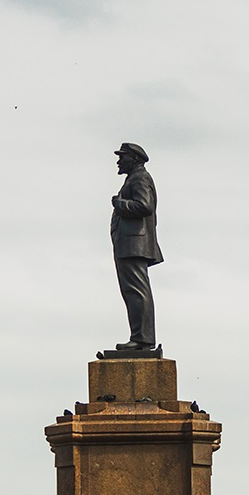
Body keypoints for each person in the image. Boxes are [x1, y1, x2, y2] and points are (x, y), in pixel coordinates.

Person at [106, 142, 163, 354]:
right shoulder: (134, 178)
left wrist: (120, 204)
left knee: (137, 291)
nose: (119, 161)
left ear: (135, 159)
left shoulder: (140, 177)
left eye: (123, 157)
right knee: (133, 291)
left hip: (134, 244)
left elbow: (144, 206)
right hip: (129, 244)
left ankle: (142, 339)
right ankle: (140, 338)